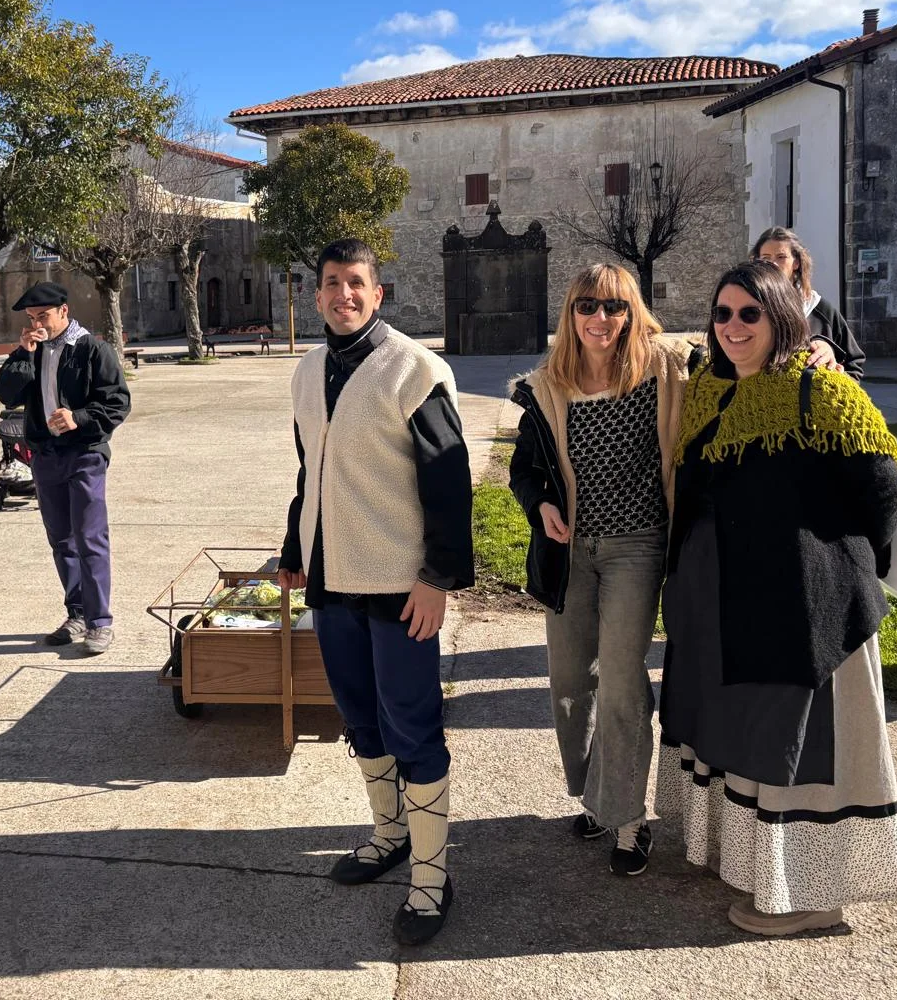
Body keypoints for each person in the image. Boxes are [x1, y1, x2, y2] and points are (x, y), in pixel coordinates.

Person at [656, 259, 897, 936]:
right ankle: (748, 865)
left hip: (804, 608)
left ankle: (811, 895)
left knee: (799, 749)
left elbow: (883, 489)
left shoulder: (818, 389)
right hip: (727, 605)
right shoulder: (709, 388)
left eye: (750, 313)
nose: (734, 326)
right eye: (723, 313)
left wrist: (843, 570)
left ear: (782, 318)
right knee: (742, 735)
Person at [278, 238, 473, 946]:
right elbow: (312, 468)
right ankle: (390, 833)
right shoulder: (307, 371)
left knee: (412, 725)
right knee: (359, 717)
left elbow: (449, 482)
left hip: (398, 582)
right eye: (332, 283)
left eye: (356, 282)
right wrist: (293, 548)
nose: (344, 295)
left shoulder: (413, 369)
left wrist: (438, 577)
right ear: (317, 294)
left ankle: (432, 875)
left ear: (378, 292)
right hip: (332, 579)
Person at [507, 263, 690, 876]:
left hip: (638, 546)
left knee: (620, 678)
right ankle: (598, 794)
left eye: (614, 306)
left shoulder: (664, 370)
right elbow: (525, 470)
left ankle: (628, 817)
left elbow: (739, 345)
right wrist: (541, 504)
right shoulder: (546, 386)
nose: (600, 318)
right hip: (570, 552)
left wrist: (824, 348)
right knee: (568, 683)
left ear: (632, 312)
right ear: (571, 314)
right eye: (587, 306)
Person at [0, 282, 131, 655]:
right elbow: (6, 394)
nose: (38, 324)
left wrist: (78, 418)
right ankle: (78, 612)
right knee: (61, 539)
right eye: (31, 318)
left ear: (64, 312)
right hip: (45, 455)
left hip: (84, 453)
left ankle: (100, 621)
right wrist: (23, 354)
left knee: (89, 536)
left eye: (44, 316)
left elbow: (117, 402)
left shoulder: (91, 349)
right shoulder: (32, 351)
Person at [753, 226, 865, 376]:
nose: (773, 264)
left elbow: (853, 365)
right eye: (766, 258)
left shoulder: (820, 310)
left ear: (796, 263)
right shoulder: (746, 307)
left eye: (781, 257)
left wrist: (833, 377)